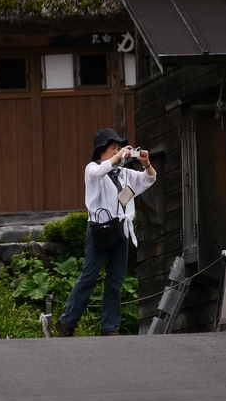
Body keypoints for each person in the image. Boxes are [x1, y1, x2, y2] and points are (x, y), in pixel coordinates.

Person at [56, 128, 156, 337]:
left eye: (119, 147)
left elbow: (149, 179)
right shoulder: (92, 168)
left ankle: (109, 327)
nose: (117, 151)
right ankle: (67, 322)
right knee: (89, 277)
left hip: (121, 230)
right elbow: (99, 172)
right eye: (113, 147)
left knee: (115, 280)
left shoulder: (125, 173)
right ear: (101, 149)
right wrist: (117, 157)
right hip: (99, 230)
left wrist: (146, 163)